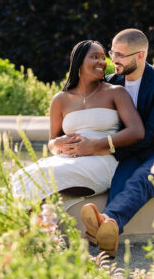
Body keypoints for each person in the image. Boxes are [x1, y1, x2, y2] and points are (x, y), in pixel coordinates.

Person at [76, 29, 154, 256]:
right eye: (113, 52)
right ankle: (108, 236)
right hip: (129, 152)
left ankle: (104, 223)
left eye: (121, 55)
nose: (114, 60)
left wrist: (108, 146)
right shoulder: (111, 82)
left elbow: (152, 133)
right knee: (120, 180)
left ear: (140, 56)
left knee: (142, 178)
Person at [11, 40, 145, 203]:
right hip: (66, 159)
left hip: (101, 161)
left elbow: (137, 131)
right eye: (95, 57)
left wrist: (94, 145)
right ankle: (34, 225)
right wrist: (58, 143)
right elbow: (52, 143)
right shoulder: (60, 99)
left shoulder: (116, 93)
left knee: (47, 175)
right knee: (20, 177)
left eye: (103, 58)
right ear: (78, 62)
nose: (102, 62)